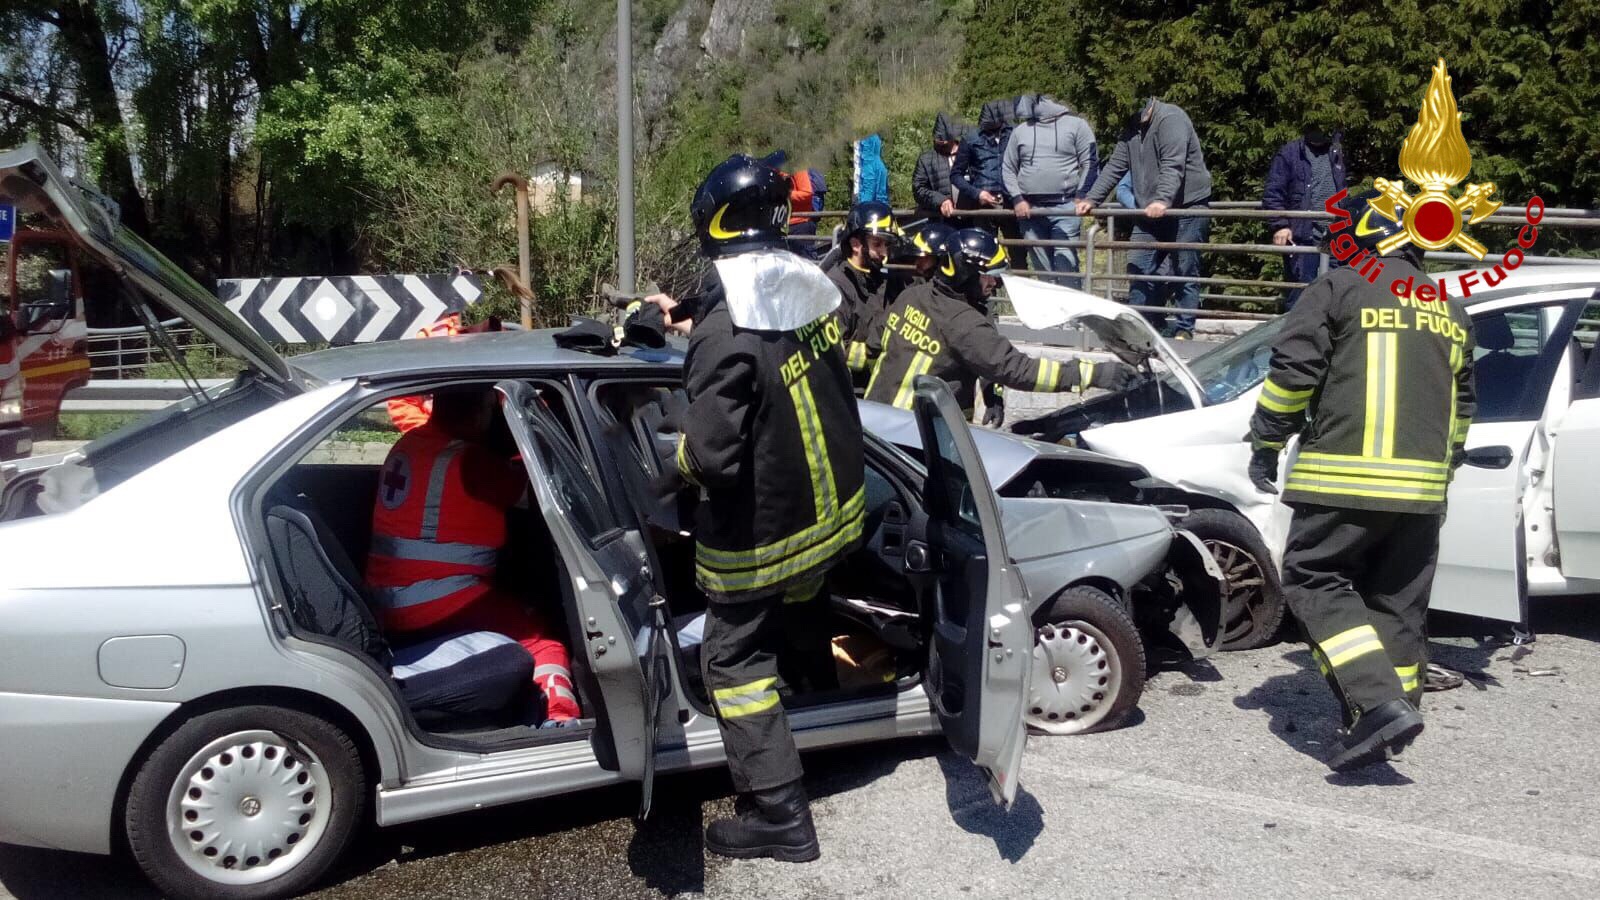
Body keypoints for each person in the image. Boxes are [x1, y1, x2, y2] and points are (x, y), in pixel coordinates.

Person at [656, 153, 865, 862]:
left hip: (759, 537)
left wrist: (665, 458)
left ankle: (781, 813)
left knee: (734, 664)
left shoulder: (724, 333)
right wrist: (683, 313)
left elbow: (709, 457)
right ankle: (820, 709)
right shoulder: (803, 289)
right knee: (799, 613)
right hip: (826, 518)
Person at [1247, 189, 1475, 772]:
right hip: (1422, 492)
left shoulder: (1338, 288)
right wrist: (1440, 477)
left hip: (1343, 480)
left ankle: (1374, 705)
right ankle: (1390, 717)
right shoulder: (1448, 307)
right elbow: (1463, 409)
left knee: (1314, 578)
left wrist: (1268, 441)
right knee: (1396, 602)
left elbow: (1293, 375)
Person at [367, 386, 581, 726]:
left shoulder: (412, 442)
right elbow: (540, 493)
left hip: (387, 597)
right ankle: (560, 721)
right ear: (482, 410)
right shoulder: (467, 460)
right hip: (438, 600)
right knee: (545, 645)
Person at [865, 228, 1136, 418]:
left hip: (876, 422)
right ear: (965, 272)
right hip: (916, 436)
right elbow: (1018, 369)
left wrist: (990, 390)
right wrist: (1092, 374)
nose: (995, 283)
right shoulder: (963, 323)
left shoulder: (912, 296)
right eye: (989, 275)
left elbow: (874, 345)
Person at [1079, 97, 1214, 339]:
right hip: (1148, 210)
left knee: (1185, 267)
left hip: (1187, 207)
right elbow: (1115, 167)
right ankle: (1137, 328)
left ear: (1149, 103)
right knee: (1138, 265)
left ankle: (1185, 329)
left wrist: (1162, 199)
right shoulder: (1132, 129)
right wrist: (1092, 199)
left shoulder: (1171, 120)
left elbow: (1173, 164)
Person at [1003, 94, 1098, 287]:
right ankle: (1050, 315)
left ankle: (1072, 313)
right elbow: (1008, 167)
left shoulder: (1077, 125)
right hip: (1030, 209)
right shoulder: (1020, 131)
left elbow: (1090, 161)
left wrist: (1081, 195)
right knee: (1042, 269)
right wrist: (1017, 198)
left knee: (1066, 263)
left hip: (1065, 206)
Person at [1264, 126, 1348, 310]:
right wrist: (1280, 225)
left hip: (1334, 234)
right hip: (1303, 235)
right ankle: (1295, 336)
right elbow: (1273, 192)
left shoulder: (1335, 151)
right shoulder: (1290, 153)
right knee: (1301, 291)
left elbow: (1341, 189)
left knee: (1334, 291)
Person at [386, 310, 503, 431]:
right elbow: (402, 400)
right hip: (437, 435)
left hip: (493, 437)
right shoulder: (430, 339)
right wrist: (428, 436)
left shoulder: (506, 341)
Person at [827, 201, 898, 380]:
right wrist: (877, 349)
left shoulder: (880, 280)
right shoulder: (835, 288)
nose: (884, 253)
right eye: (877, 244)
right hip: (854, 390)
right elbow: (836, 350)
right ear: (856, 244)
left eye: (887, 245)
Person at [950, 99, 1016, 235]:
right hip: (983, 205)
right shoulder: (971, 139)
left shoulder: (1014, 134)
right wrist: (977, 193)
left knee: (1018, 251)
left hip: (1011, 201)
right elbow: (956, 175)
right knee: (984, 251)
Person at [913, 113, 962, 220]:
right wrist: (940, 200)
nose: (941, 144)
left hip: (972, 219)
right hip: (941, 221)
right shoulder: (926, 159)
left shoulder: (969, 153)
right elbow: (918, 189)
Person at [853, 134, 888, 205]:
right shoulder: (875, 136)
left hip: (868, 168)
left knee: (866, 204)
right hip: (878, 167)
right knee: (881, 201)